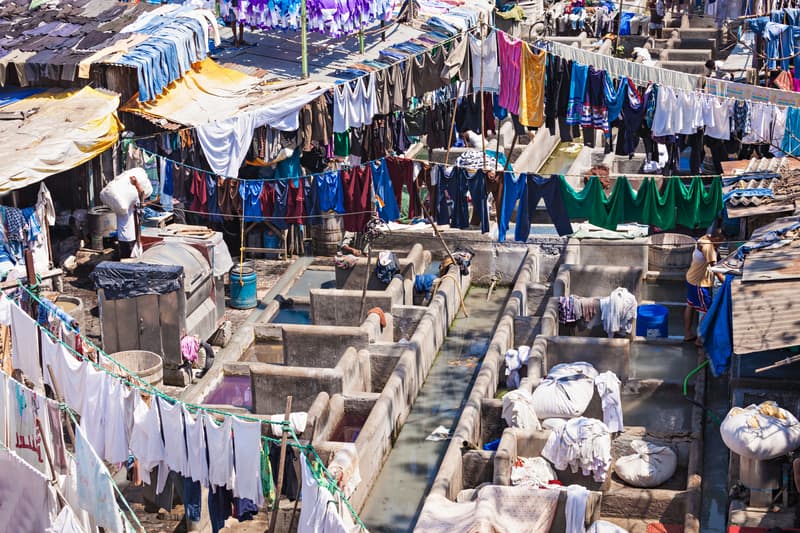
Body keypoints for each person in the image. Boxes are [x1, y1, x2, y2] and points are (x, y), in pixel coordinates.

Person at [684, 224, 725, 343]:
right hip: (700, 283)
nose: (721, 245)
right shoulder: (709, 248)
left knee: (690, 305)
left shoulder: (704, 238)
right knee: (706, 311)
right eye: (720, 242)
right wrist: (727, 284)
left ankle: (687, 334)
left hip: (691, 278)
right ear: (716, 239)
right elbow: (716, 270)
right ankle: (700, 339)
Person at [117, 175, 143, 259]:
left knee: (124, 259)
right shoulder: (132, 201)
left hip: (122, 237)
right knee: (131, 261)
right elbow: (142, 194)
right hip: (131, 236)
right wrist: (136, 183)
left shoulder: (118, 203)